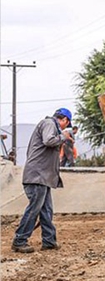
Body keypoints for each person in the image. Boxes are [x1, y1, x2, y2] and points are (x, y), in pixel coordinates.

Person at [11, 108, 73, 253]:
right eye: (66, 125)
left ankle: (49, 240)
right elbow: (49, 140)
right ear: (64, 120)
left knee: (46, 210)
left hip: (42, 177)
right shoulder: (49, 123)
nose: (65, 128)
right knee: (34, 209)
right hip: (37, 176)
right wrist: (63, 136)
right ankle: (19, 240)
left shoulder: (48, 125)